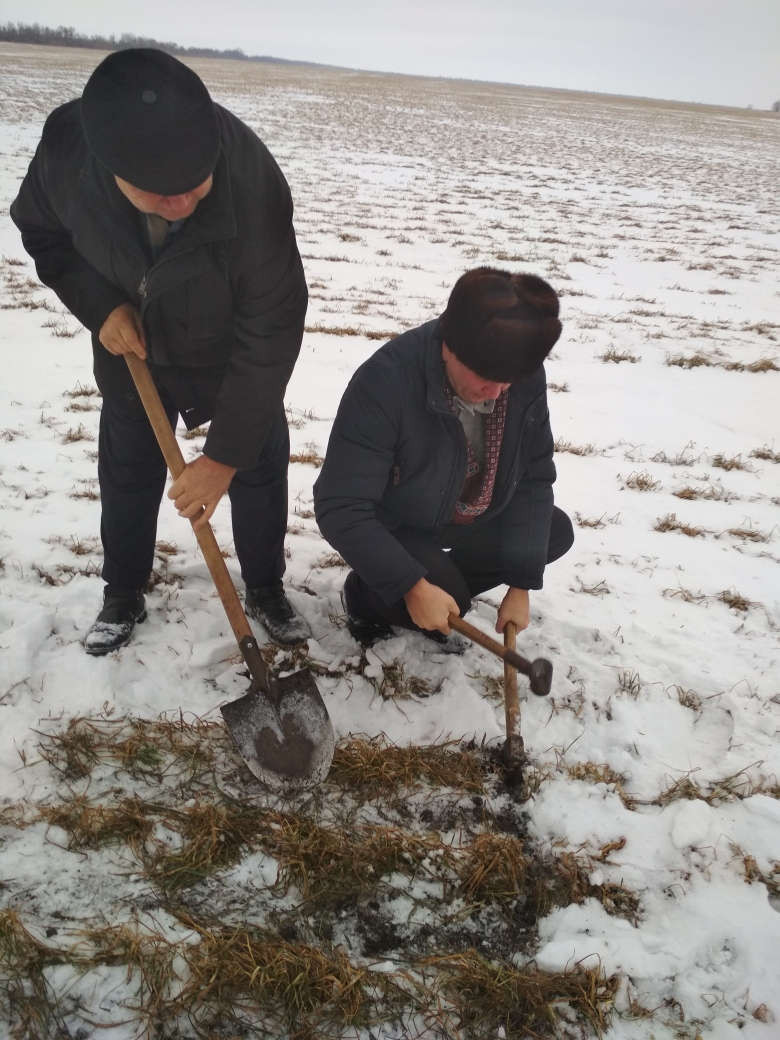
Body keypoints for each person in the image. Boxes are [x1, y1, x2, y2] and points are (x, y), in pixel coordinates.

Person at [11, 48, 311, 654]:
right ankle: (122, 591)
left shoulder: (253, 184)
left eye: (194, 185)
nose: (180, 203)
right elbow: (44, 235)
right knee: (128, 470)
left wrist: (222, 456)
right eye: (158, 192)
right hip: (133, 352)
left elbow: (274, 324)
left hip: (229, 351)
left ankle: (266, 588)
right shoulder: (69, 152)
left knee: (256, 464)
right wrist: (99, 307)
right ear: (109, 166)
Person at [313, 267, 574, 648]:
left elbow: (532, 478)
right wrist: (412, 585)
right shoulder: (386, 382)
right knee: (443, 595)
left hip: (467, 512)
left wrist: (520, 584)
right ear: (449, 347)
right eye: (486, 377)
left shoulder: (518, 374)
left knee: (553, 530)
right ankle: (367, 596)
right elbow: (340, 505)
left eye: (509, 381)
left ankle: (438, 587)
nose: (498, 392)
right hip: (399, 520)